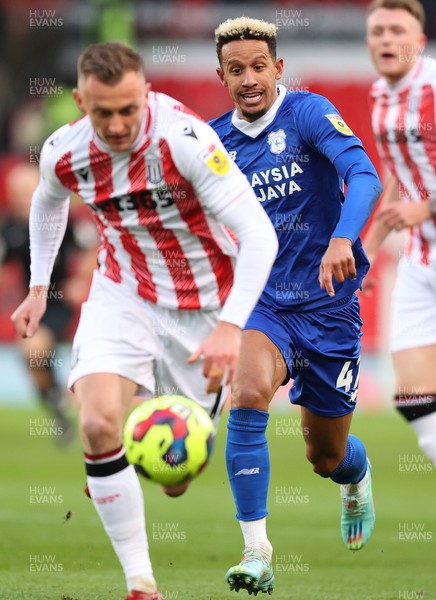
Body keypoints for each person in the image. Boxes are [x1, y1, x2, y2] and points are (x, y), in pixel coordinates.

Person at [11, 42, 278, 600]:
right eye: (102, 111)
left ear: (145, 93)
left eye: (128, 109)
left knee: (174, 478)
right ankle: (142, 584)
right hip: (123, 292)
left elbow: (259, 235)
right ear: (81, 100)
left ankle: (118, 456)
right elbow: (47, 202)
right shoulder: (64, 150)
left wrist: (230, 326)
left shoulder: (184, 142)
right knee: (96, 422)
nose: (116, 124)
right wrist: (39, 288)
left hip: (202, 306)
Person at [210, 17, 382, 596]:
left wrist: (343, 238)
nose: (250, 78)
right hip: (266, 306)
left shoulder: (308, 114)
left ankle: (355, 479)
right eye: (237, 69)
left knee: (325, 456)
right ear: (222, 76)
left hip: (330, 308)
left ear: (277, 68)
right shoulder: (212, 145)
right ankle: (257, 550)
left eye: (259, 66)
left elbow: (364, 174)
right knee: (249, 392)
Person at [364, 0, 436, 467]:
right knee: (413, 399)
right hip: (420, 258)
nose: (387, 39)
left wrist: (426, 206)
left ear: (420, 41)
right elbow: (397, 175)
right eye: (377, 31)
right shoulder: (379, 96)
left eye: (397, 30)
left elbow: (416, 196)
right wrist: (366, 247)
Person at [0, 162, 97, 443]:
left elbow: (92, 247)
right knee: (31, 355)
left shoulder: (64, 219)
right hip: (33, 303)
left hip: (62, 301)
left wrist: (80, 280)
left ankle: (69, 401)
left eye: (25, 192)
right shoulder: (10, 229)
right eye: (15, 193)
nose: (20, 199)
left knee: (33, 348)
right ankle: (56, 402)